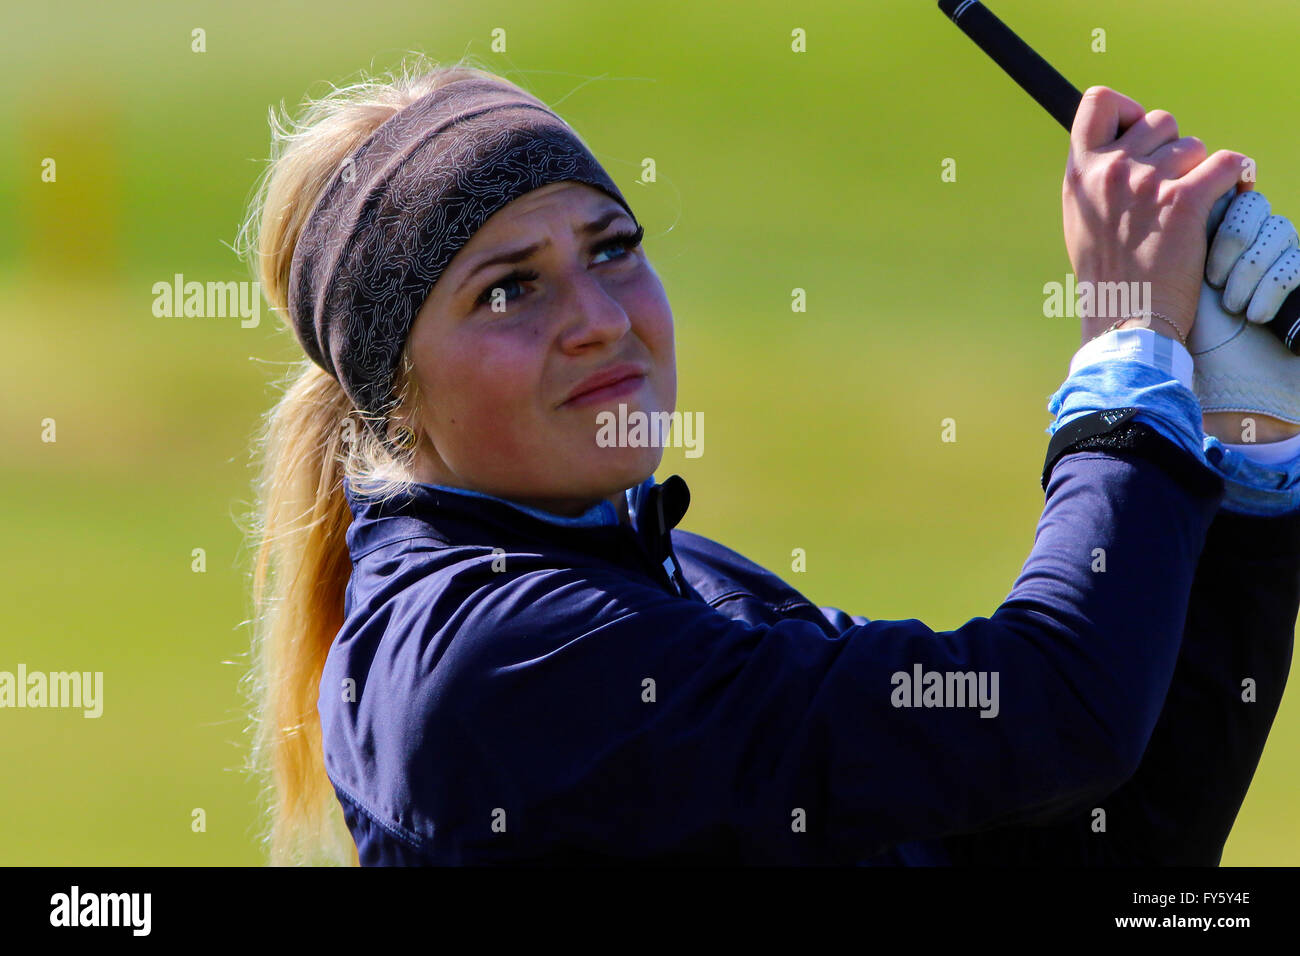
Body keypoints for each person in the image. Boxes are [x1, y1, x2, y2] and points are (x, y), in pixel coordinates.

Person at [238, 57, 1300, 866]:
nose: (600, 319)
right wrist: (1127, 352)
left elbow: (1094, 830)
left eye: (612, 248)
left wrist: (1248, 443)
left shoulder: (687, 583)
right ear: (394, 397)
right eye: (509, 289)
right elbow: (1050, 710)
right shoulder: (495, 661)